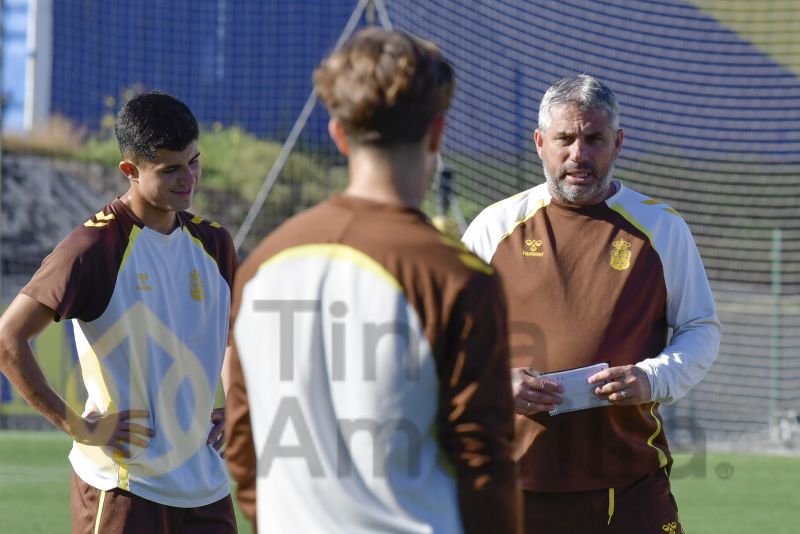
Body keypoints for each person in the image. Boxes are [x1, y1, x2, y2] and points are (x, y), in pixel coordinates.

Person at [225, 28, 521, 534]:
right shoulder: (455, 276)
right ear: (437, 132)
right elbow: (484, 462)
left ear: (338, 134)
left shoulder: (262, 265)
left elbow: (242, 443)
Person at [462, 74, 721, 533]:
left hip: (631, 484)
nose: (578, 154)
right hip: (517, 486)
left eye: (593, 138)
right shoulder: (493, 227)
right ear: (540, 142)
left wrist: (651, 377)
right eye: (565, 139)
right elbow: (447, 346)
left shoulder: (661, 228)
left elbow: (700, 328)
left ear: (617, 143)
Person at [0, 91, 239, 533]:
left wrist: (235, 402)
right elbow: (7, 338)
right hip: (125, 487)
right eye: (171, 169)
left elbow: (228, 335)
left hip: (206, 487)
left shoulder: (215, 244)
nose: (189, 178)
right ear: (129, 171)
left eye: (194, 161)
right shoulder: (93, 249)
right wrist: (77, 426)